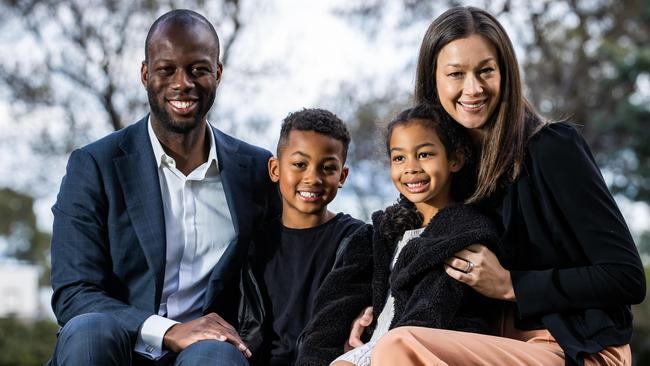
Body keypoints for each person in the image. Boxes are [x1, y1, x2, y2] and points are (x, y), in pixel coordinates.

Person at [365, 6, 646, 366]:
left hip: (572, 347)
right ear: (432, 79)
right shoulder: (439, 170)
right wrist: (368, 311)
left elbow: (625, 277)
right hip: (483, 342)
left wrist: (512, 284)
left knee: (398, 347)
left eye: (486, 71)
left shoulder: (553, 148)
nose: (473, 89)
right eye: (456, 74)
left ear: (505, 74)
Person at [49, 9, 279, 366]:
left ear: (217, 74)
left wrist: (357, 305)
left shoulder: (254, 171)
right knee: (89, 329)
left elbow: (297, 251)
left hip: (205, 353)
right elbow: (74, 293)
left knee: (218, 357)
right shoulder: (94, 166)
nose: (182, 83)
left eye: (198, 70)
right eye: (167, 69)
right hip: (115, 345)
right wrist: (168, 330)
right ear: (145, 74)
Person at [295, 104, 501, 366]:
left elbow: (432, 310)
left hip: (427, 353)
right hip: (378, 347)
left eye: (424, 154)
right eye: (399, 158)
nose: (411, 168)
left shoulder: (465, 231)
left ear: (455, 159)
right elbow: (334, 306)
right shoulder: (381, 233)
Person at [242, 108, 366, 366]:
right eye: (300, 165)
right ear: (275, 169)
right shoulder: (252, 244)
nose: (313, 178)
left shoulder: (357, 239)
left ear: (342, 176)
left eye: (328, 168)